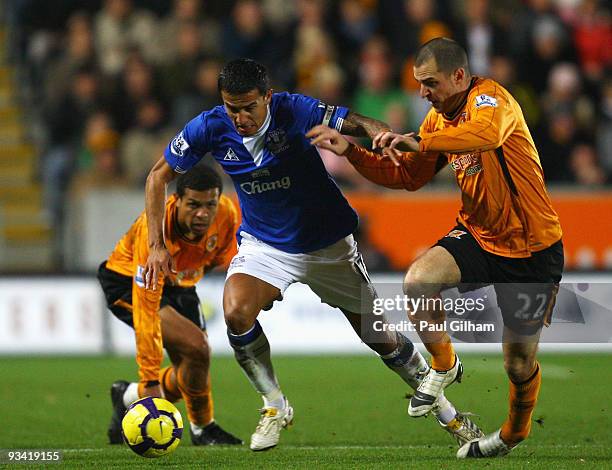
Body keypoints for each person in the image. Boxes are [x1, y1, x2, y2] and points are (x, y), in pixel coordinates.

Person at [143, 58, 483, 452]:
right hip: (265, 245)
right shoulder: (209, 126)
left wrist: (378, 132)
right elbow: (157, 177)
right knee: (236, 311)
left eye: (248, 107)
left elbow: (351, 121)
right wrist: (155, 246)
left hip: (328, 245)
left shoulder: (292, 109)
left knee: (383, 340)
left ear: (267, 98)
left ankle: (452, 417)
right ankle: (273, 405)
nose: (240, 117)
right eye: (232, 107)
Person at [307, 37, 564, 459]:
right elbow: (408, 177)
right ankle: (444, 364)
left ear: (459, 76)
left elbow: (487, 133)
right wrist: (352, 151)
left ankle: (513, 433)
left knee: (518, 365)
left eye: (429, 83)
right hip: (480, 235)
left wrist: (421, 144)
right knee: (418, 281)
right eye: (418, 84)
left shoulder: (492, 100)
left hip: (533, 247)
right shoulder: (435, 121)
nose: (422, 93)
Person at [97, 165, 243, 446]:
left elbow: (218, 255)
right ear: (176, 201)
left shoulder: (226, 213)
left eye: (209, 205)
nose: (202, 213)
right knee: (196, 345)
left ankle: (129, 396)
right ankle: (198, 425)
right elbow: (147, 309)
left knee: (197, 360)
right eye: (193, 205)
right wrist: (150, 380)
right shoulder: (154, 231)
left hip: (179, 284)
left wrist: (185, 274)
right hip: (127, 281)